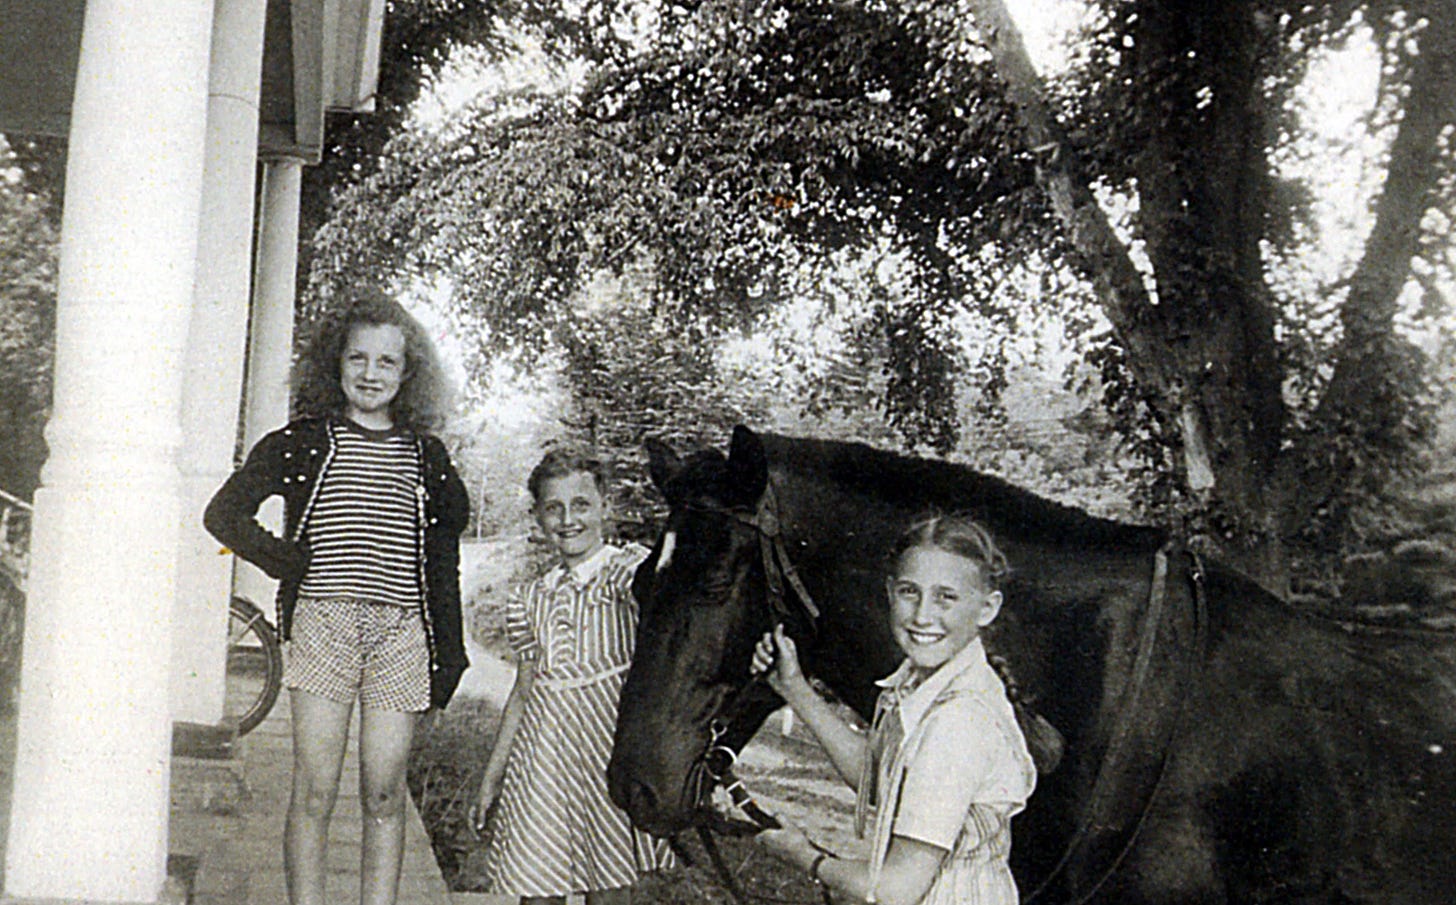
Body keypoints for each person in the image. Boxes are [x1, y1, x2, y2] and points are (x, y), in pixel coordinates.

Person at [204, 288, 470, 905]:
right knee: (315, 790)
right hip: (324, 625)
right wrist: (286, 559)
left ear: (408, 374)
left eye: (387, 362)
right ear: (337, 363)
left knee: (383, 792)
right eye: (358, 359)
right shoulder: (303, 441)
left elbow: (444, 558)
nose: (371, 374)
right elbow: (225, 514)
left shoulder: (425, 455)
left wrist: (448, 654)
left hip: (401, 635)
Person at [750, 515, 1036, 905]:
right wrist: (795, 688)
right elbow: (881, 781)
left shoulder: (958, 721)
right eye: (909, 592)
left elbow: (895, 888)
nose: (921, 616)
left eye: (945, 597)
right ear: (889, 592)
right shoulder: (923, 685)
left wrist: (807, 858)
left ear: (987, 608)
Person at [470, 448, 673, 905]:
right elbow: (523, 691)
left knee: (610, 888)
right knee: (536, 886)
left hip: (607, 760)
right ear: (538, 517)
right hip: (540, 764)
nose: (567, 519)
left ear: (605, 505)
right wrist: (492, 775)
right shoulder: (531, 597)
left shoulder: (630, 574)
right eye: (553, 508)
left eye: (581, 504)